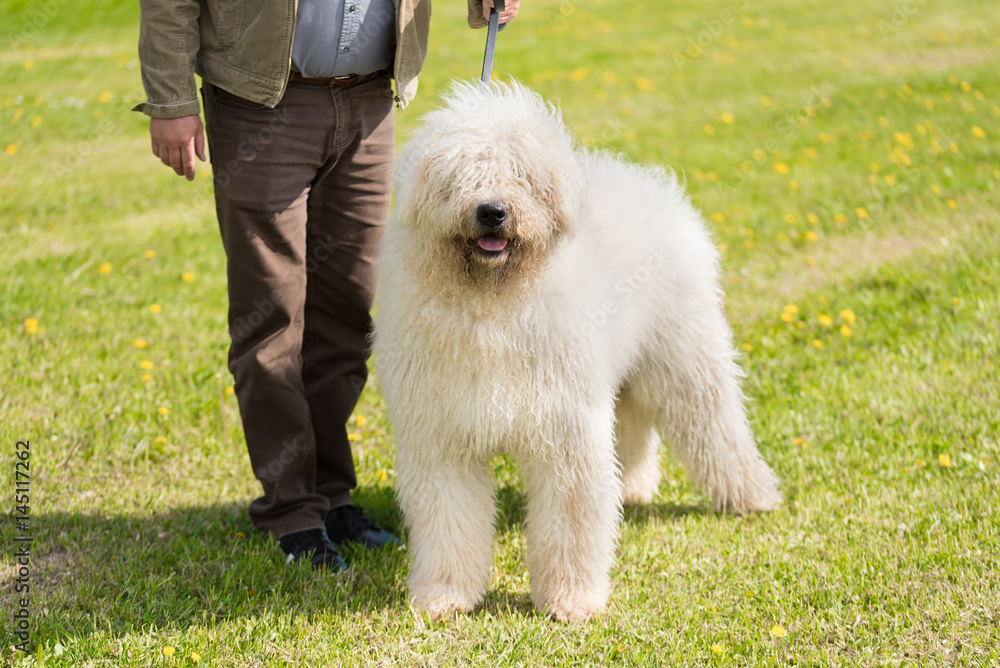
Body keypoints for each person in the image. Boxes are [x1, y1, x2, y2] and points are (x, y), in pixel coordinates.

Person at [135, 0, 521, 571]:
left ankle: (332, 495)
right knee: (272, 317)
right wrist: (170, 98)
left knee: (348, 311)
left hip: (369, 101)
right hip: (261, 103)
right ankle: (291, 509)